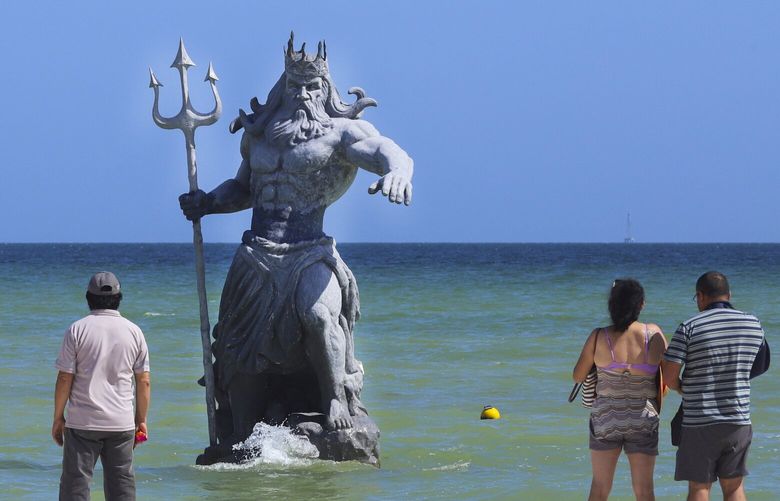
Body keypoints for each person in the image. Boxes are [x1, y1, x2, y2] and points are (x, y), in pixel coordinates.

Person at [178, 32, 413, 456]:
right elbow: (243, 188)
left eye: (313, 87)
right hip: (258, 252)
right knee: (235, 346)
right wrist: (208, 203)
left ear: (327, 90)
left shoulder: (341, 134)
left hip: (309, 252)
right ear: (281, 88)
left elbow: (384, 149)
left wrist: (400, 170)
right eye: (295, 86)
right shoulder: (260, 135)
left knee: (319, 315)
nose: (303, 94)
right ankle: (241, 433)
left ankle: (335, 397)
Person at [662, 271, 765, 501]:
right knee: (734, 487)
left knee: (700, 488)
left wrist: (681, 387)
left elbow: (668, 375)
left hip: (699, 420)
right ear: (729, 295)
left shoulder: (689, 326)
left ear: (700, 296)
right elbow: (759, 366)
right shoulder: (753, 323)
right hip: (738, 419)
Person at [52, 271, 151, 501]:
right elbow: (144, 380)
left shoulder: (77, 329)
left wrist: (58, 417)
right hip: (121, 423)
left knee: (75, 488)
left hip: (82, 423)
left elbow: (65, 378)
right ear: (119, 298)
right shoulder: (134, 331)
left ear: (89, 297)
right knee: (122, 488)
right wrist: (141, 420)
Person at [573, 279, 668, 501]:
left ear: (612, 305)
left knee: (599, 488)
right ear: (641, 304)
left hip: (606, 418)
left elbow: (578, 376)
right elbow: (669, 375)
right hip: (642, 417)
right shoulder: (652, 334)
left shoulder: (598, 336)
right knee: (644, 490)